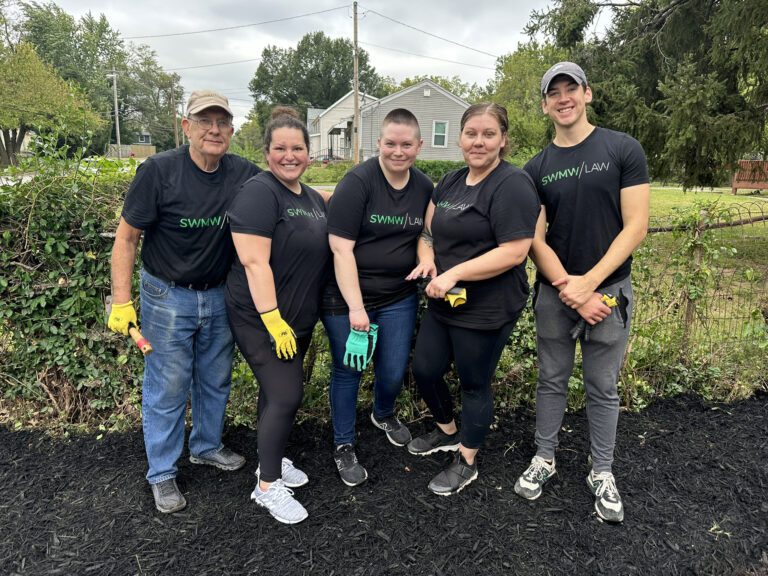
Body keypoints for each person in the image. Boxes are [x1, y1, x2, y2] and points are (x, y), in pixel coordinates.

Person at [107, 91, 261, 513]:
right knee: (168, 386)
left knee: (215, 379)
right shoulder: (158, 172)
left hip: (219, 294)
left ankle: (206, 446)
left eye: (222, 122)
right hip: (166, 296)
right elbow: (126, 238)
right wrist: (122, 301)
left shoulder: (242, 173)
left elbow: (285, 194)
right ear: (185, 125)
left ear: (231, 130)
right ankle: (162, 472)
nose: (214, 129)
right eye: (204, 120)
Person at [513, 62, 650, 523]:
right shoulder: (536, 168)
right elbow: (534, 238)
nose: (564, 97)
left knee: (602, 386)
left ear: (587, 94)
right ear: (545, 104)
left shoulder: (622, 148)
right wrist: (569, 289)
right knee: (551, 379)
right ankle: (544, 459)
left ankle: (603, 471)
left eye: (572, 88)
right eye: (555, 92)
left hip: (609, 292)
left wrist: (590, 284)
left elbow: (637, 226)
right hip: (556, 293)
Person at [405, 103, 540, 496]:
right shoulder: (449, 182)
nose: (478, 142)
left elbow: (515, 251)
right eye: (471, 134)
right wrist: (429, 261)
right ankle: (447, 431)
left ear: (503, 140)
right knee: (426, 370)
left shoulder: (512, 184)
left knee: (473, 383)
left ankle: (467, 459)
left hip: (488, 307)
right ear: (460, 138)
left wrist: (455, 273)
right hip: (445, 300)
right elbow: (427, 233)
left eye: (488, 134)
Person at [225, 107, 330, 524]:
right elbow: (254, 262)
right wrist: (271, 317)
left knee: (275, 393)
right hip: (260, 317)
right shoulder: (258, 193)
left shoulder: (306, 196)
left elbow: (332, 208)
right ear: (266, 152)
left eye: (298, 148)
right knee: (287, 394)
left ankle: (270, 459)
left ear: (309, 152)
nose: (290, 155)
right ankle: (267, 486)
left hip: (298, 319)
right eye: (280, 148)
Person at [321, 108, 434, 486]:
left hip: (399, 294)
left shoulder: (423, 187)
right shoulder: (358, 183)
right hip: (347, 295)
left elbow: (425, 234)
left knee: (392, 368)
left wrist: (426, 257)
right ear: (378, 144)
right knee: (349, 368)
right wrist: (356, 307)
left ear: (419, 145)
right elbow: (340, 249)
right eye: (390, 143)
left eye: (406, 144)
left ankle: (383, 412)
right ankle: (343, 444)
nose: (398, 151)